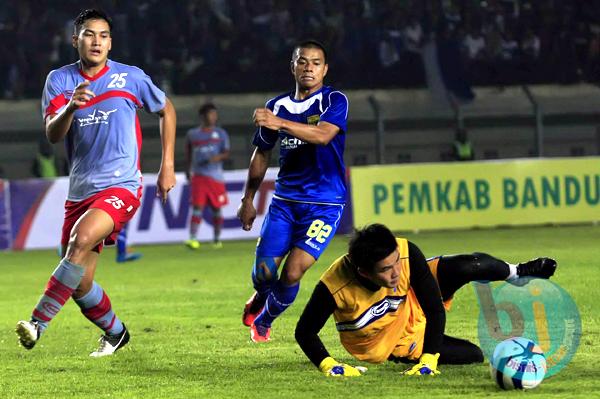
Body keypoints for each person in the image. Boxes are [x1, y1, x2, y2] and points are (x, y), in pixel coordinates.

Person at [15, 9, 176, 357]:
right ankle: (116, 333)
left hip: (122, 185)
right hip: (80, 191)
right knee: (79, 281)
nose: (97, 41)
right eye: (89, 34)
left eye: (103, 35)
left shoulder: (130, 77)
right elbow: (53, 134)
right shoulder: (59, 80)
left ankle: (37, 323)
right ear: (76, 40)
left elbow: (166, 110)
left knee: (81, 239)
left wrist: (167, 165)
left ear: (110, 42)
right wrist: (71, 107)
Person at [295, 224, 557, 377]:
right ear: (363, 271)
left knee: (468, 266)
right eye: (386, 269)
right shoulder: (334, 285)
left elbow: (433, 308)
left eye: (396, 261)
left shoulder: (405, 252)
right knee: (473, 355)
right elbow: (304, 332)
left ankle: (516, 273)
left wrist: (430, 358)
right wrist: (330, 365)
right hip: (391, 340)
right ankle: (409, 356)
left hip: (412, 299)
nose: (396, 270)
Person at [237, 40, 349, 343]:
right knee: (263, 275)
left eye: (315, 62)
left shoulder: (334, 100)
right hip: (285, 203)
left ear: (325, 69)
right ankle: (260, 296)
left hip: (325, 204)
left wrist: (279, 123)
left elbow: (324, 135)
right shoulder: (276, 105)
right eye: (302, 61)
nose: (308, 67)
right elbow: (261, 154)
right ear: (293, 66)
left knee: (293, 272)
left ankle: (265, 320)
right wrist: (248, 199)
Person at [184, 102, 230, 249]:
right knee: (197, 207)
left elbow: (226, 153)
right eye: (211, 114)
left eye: (215, 114)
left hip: (215, 176)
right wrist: (187, 170)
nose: (213, 117)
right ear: (202, 116)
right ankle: (193, 238)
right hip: (199, 176)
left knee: (216, 209)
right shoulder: (192, 134)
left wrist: (215, 158)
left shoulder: (221, 133)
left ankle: (216, 239)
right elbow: (188, 154)